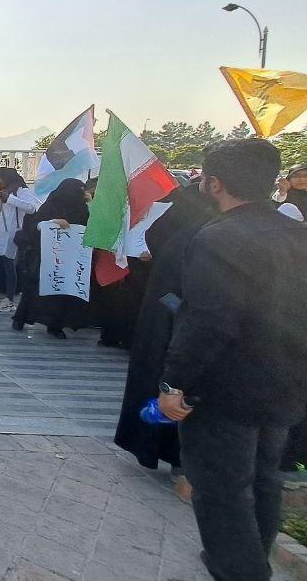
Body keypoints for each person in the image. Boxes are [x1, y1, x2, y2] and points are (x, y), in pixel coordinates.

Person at [156, 139, 307, 581]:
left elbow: (208, 321)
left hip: (226, 389)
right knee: (263, 481)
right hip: (286, 384)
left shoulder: (220, 238)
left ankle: (239, 570)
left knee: (222, 491)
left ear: (214, 182)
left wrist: (173, 383)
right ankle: (249, 562)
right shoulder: (299, 232)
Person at [114, 183, 216, 472]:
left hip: (163, 328)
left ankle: (155, 447)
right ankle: (179, 458)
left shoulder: (176, 234)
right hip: (191, 333)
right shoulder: (207, 236)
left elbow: (153, 239)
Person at [11, 178, 90, 338]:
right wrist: (52, 223)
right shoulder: (50, 206)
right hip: (46, 257)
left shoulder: (82, 208)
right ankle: (21, 318)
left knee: (62, 292)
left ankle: (56, 325)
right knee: (34, 290)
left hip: (69, 259)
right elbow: (34, 226)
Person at [0, 167, 39, 314]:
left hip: (10, 233)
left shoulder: (23, 191)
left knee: (9, 265)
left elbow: (31, 208)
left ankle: (9, 299)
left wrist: (9, 198)